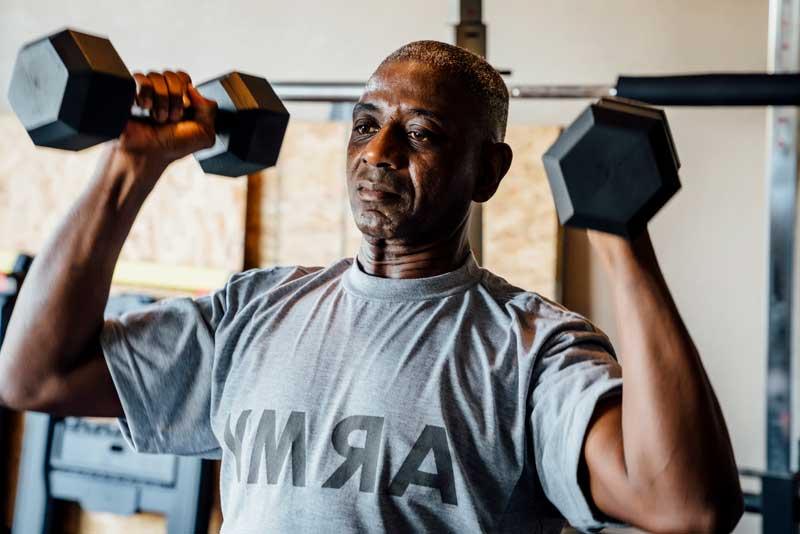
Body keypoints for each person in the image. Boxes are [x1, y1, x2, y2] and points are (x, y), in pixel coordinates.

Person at [0, 41, 743, 533]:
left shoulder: (531, 350)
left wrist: (619, 235)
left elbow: (683, 502)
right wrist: (132, 166)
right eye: (364, 125)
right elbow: (36, 374)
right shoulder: (257, 311)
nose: (378, 153)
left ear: (488, 171)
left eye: (421, 133)